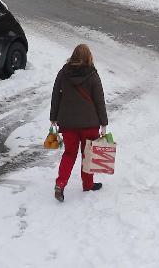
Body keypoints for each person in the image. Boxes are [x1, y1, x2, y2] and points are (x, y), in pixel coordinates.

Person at [50, 43, 108, 201]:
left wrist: (53, 117)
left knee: (69, 154)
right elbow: (99, 100)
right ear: (89, 56)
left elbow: (56, 96)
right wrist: (103, 122)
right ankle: (88, 184)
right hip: (90, 124)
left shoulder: (63, 73)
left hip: (68, 124)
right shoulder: (92, 74)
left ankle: (60, 184)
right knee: (88, 155)